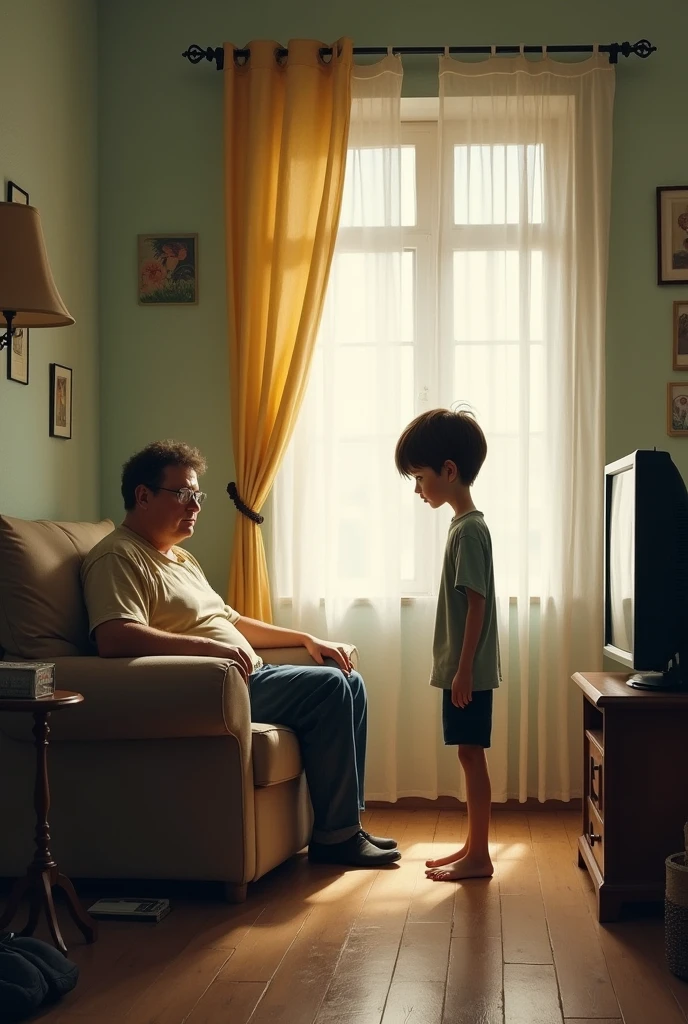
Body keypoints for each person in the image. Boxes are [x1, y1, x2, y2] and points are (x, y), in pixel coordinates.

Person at [81, 440, 400, 868]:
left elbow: (230, 618)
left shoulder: (180, 559)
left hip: (243, 675)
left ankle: (344, 827)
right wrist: (212, 649)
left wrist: (306, 638)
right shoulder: (117, 556)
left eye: (198, 495)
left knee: (348, 679)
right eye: (184, 494)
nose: (195, 505)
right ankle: (337, 838)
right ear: (142, 496)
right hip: (209, 685)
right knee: (328, 687)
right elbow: (116, 636)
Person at [395, 408, 500, 881]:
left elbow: (476, 606)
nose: (417, 490)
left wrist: (462, 671)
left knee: (471, 754)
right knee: (466, 752)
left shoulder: (470, 530)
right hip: (464, 669)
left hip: (468, 672)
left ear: (449, 471)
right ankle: (472, 847)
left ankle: (480, 856)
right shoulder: (463, 527)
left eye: (419, 477)